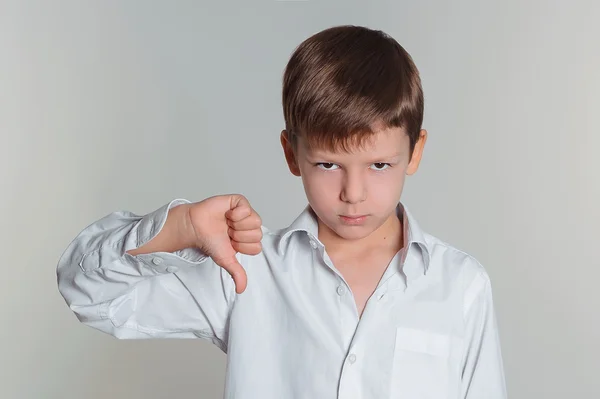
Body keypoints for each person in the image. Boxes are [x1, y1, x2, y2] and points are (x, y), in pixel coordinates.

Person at [57, 25, 507, 398]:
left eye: (379, 165)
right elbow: (88, 294)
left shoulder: (461, 285)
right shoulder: (246, 272)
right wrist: (180, 227)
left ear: (415, 151)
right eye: (328, 164)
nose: (353, 192)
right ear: (292, 154)